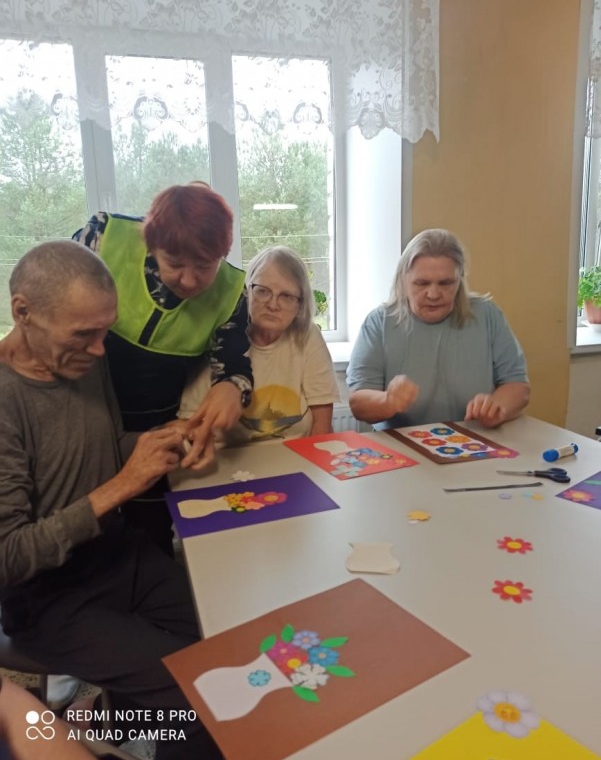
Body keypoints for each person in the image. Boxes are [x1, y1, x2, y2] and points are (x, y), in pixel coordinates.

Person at [0, 241, 223, 760]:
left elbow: (101, 449)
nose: (101, 349)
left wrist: (161, 442)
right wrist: (125, 483)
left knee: (226, 639)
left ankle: (115, 723)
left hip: (118, 556)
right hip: (47, 597)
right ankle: (121, 725)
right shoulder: (7, 400)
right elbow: (8, 557)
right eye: (84, 334)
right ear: (23, 312)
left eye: (106, 330)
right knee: (197, 695)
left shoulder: (83, 360)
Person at [74, 183, 253, 554]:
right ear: (151, 244)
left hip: (155, 436)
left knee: (149, 545)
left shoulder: (232, 290)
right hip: (81, 423)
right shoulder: (104, 238)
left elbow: (235, 363)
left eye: (204, 266)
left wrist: (231, 388)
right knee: (80, 540)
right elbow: (52, 304)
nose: (189, 280)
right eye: (174, 263)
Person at [347, 228, 530, 429]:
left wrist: (495, 407)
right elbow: (358, 403)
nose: (433, 294)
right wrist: (388, 401)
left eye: (446, 283)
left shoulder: (487, 314)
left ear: (460, 280)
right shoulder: (379, 323)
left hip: (476, 439)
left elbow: (518, 386)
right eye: (422, 283)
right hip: (401, 445)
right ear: (403, 281)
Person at [180, 246, 339, 442]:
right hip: (233, 458)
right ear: (246, 292)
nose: (273, 305)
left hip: (297, 455)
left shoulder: (308, 336)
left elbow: (322, 426)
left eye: (286, 296)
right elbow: (188, 423)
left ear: (300, 305)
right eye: (263, 291)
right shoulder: (223, 338)